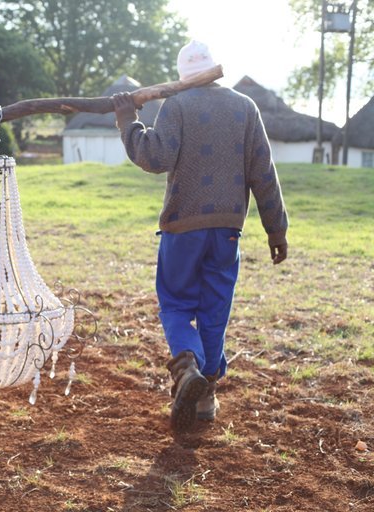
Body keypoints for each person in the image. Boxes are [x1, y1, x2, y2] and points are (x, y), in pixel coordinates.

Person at [111, 41, 288, 432]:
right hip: (228, 231)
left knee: (175, 304)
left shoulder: (176, 105)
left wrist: (128, 122)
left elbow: (154, 158)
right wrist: (277, 229)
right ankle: (205, 393)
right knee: (213, 312)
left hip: (182, 229)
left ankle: (187, 364)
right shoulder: (245, 107)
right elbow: (264, 172)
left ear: (180, 77)